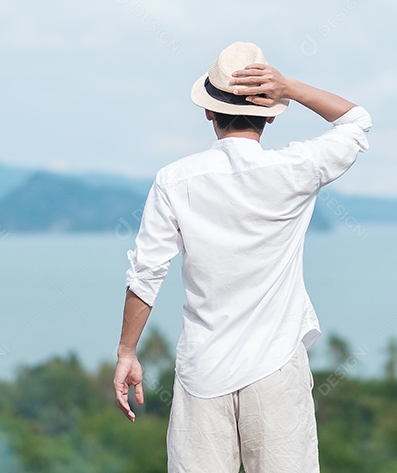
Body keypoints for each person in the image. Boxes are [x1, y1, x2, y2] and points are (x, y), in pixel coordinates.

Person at [113, 41, 372, 472]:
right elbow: (356, 122)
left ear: (208, 112)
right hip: (276, 368)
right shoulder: (296, 168)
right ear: (271, 113)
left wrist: (127, 352)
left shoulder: (174, 180)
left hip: (203, 372)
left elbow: (146, 273)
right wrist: (289, 87)